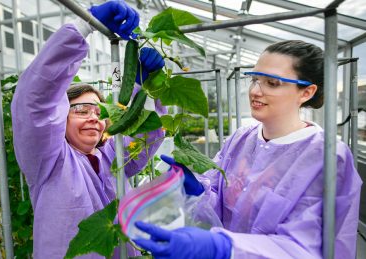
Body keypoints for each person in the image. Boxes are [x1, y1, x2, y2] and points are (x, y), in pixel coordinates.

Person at [133, 40, 363, 259]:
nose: (255, 91)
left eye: (272, 83)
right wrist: (198, 190)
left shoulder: (327, 157)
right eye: (255, 79)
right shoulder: (242, 138)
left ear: (306, 92)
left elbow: (311, 249)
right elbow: (221, 206)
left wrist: (225, 248)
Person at [10, 1, 165, 258]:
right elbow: (35, 101)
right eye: (81, 110)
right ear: (59, 119)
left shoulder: (111, 157)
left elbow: (147, 133)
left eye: (100, 112)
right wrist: (85, 24)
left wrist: (145, 87)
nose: (94, 117)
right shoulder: (48, 160)